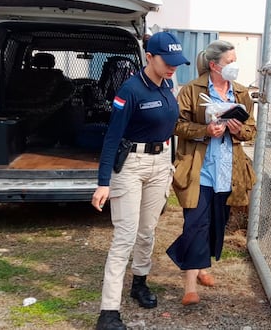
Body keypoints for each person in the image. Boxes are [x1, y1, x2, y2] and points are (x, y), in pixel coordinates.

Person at [91, 31, 189, 330]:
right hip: (131, 165)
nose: (173, 67)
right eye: (167, 61)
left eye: (176, 61)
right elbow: (111, 137)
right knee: (125, 236)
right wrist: (103, 181)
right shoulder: (130, 90)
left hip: (160, 164)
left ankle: (140, 283)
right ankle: (108, 311)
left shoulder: (167, 84)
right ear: (149, 57)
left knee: (147, 231)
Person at [166, 40, 257, 306]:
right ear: (215, 65)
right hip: (199, 169)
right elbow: (177, 124)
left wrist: (237, 130)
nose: (235, 66)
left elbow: (251, 128)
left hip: (228, 172)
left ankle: (200, 265)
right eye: (231, 62)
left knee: (215, 223)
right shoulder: (192, 90)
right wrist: (204, 131)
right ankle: (190, 288)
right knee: (195, 224)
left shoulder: (240, 93)